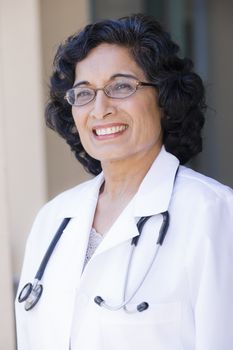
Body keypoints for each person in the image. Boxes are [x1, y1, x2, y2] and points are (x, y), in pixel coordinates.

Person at [15, 13, 233, 350]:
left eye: (121, 87)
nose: (100, 109)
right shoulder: (53, 220)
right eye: (84, 93)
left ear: (163, 98)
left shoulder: (214, 214)